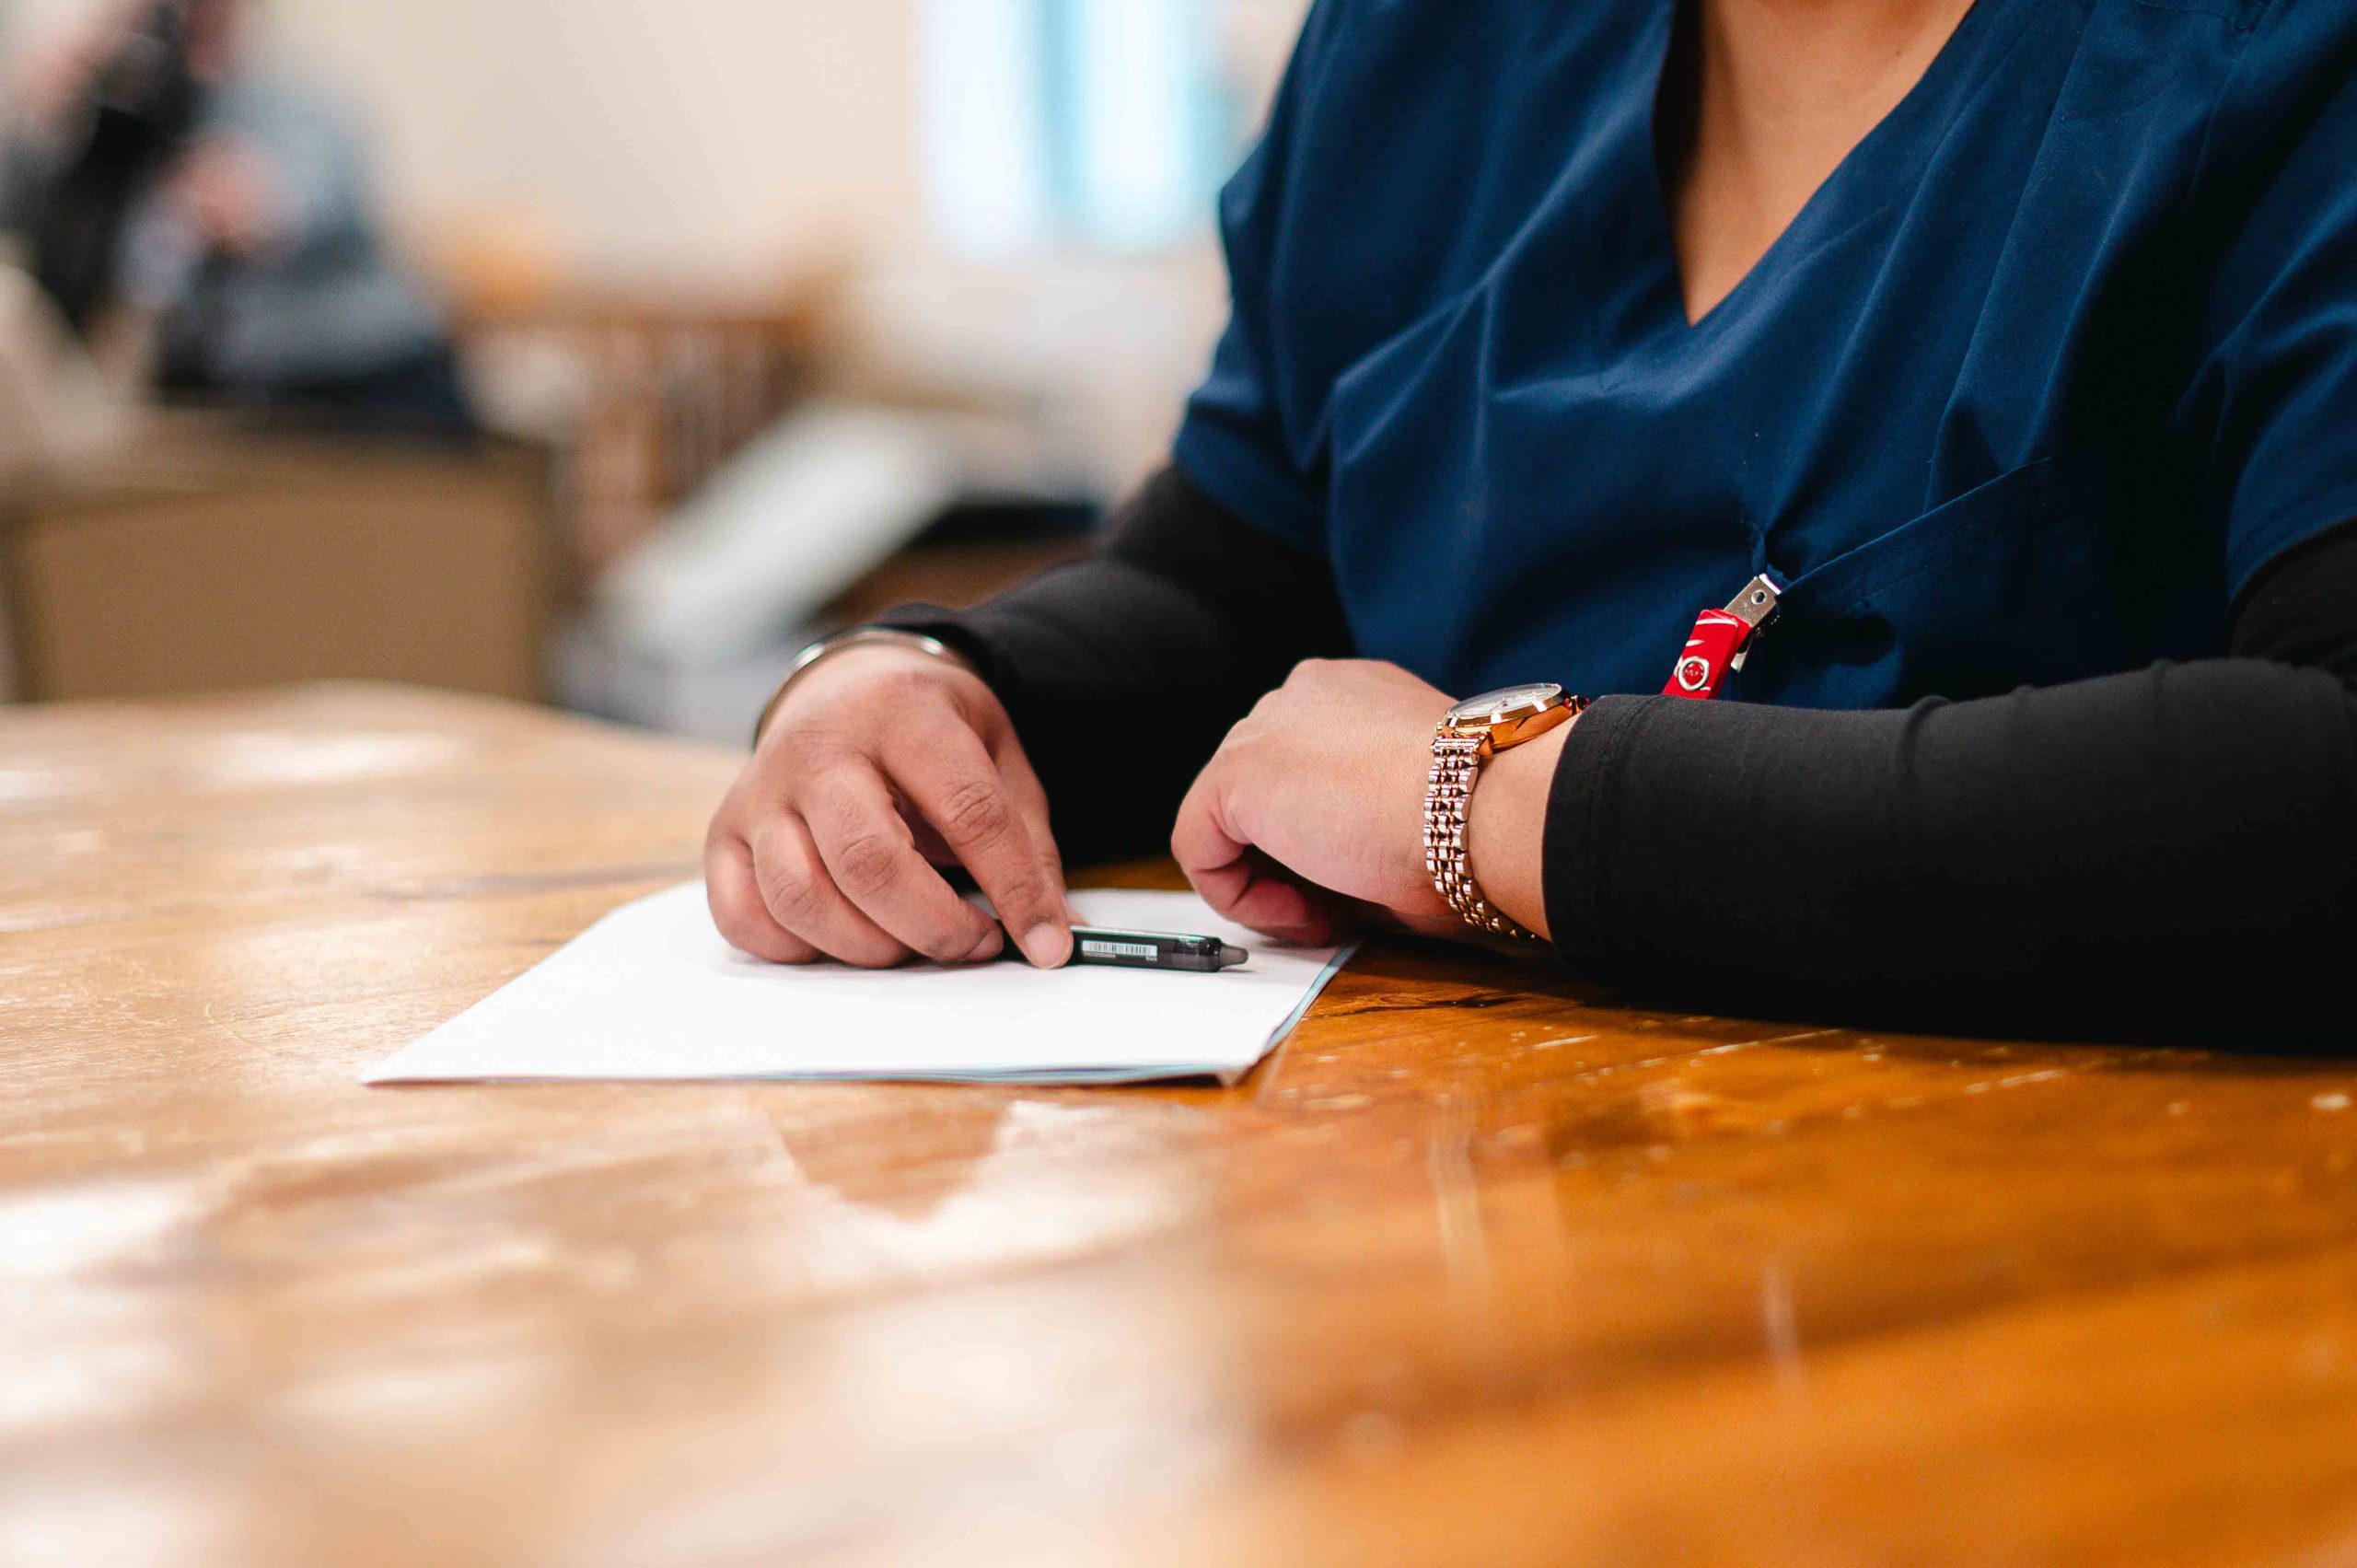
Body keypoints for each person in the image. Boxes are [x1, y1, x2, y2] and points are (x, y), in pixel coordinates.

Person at [708, 0, 2357, 1040]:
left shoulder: (2270, 67)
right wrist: (923, 678)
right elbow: (1242, 569)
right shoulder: (1427, 50)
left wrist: (1483, 806)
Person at [0, 0, 470, 433]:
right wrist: (45, 125)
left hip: (361, 388)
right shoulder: (119, 123)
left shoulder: (295, 99)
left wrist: (244, 199)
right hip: (226, 399)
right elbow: (34, 228)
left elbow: (286, 198)